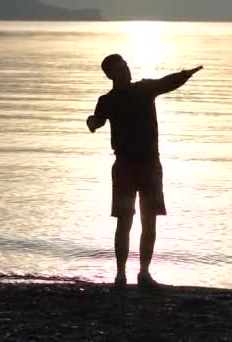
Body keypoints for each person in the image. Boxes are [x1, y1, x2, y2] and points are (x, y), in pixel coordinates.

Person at [87, 54, 203, 289]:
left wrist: (185, 74)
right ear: (110, 75)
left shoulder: (144, 88)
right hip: (124, 167)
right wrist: (92, 122)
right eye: (120, 69)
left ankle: (144, 274)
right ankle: (120, 275)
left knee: (149, 222)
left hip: (150, 164)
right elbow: (97, 121)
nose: (126, 71)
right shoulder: (107, 100)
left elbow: (167, 82)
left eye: (127, 67)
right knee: (124, 221)